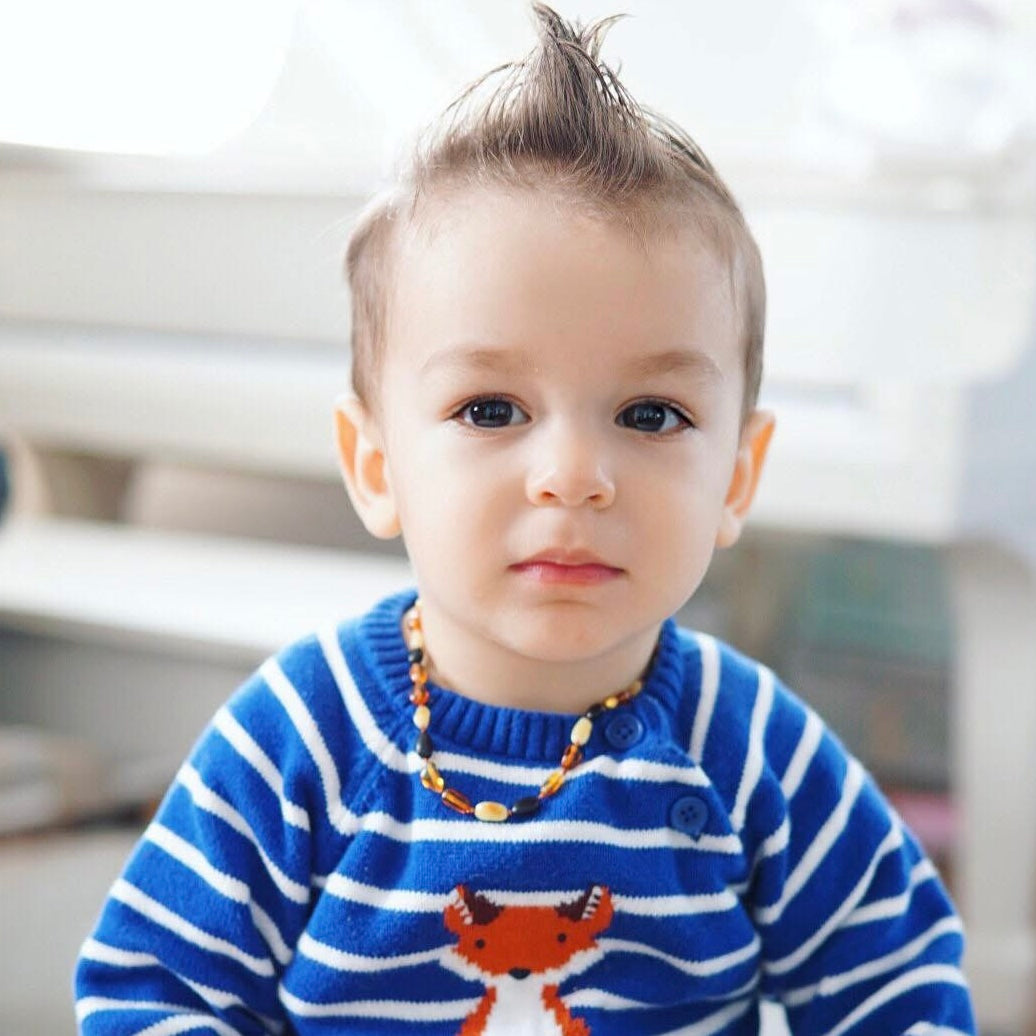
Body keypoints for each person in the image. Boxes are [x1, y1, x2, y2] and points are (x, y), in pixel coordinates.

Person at [75, 6, 975, 1033]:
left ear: (735, 474)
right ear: (376, 466)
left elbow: (894, 977)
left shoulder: (747, 745)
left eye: (650, 415)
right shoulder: (304, 740)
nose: (573, 476)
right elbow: (155, 988)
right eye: (490, 410)